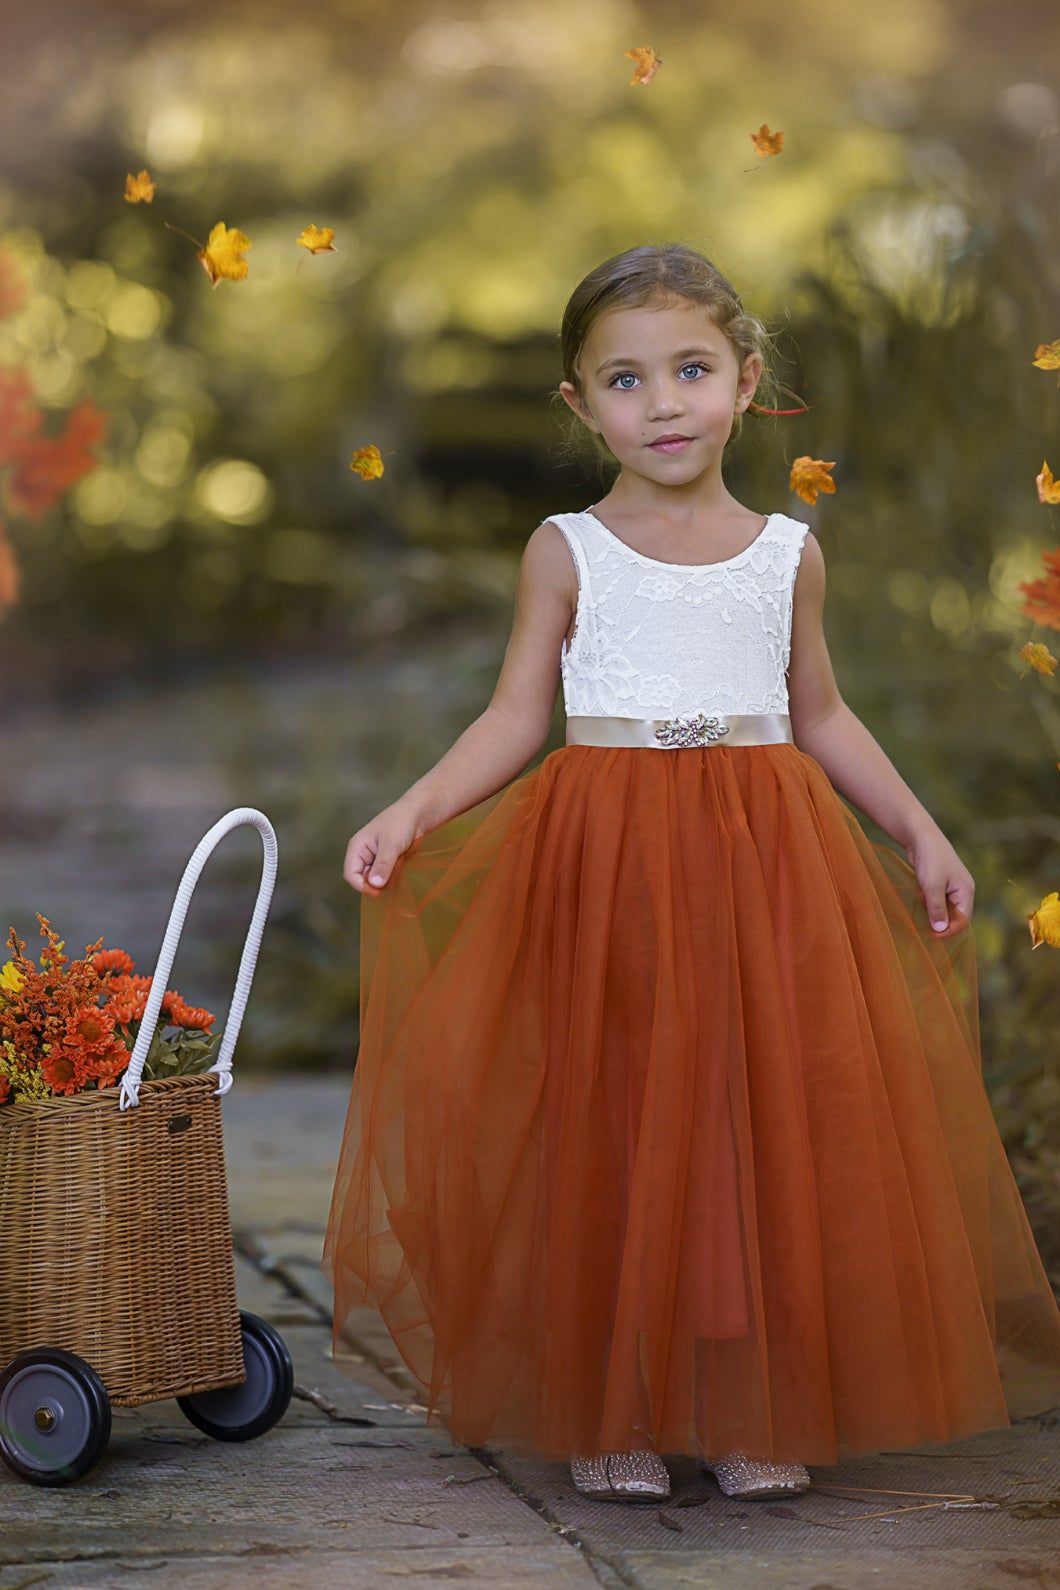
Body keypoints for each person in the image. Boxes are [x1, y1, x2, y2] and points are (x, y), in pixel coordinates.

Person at [321, 242, 1060, 1504]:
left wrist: (918, 830)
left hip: (765, 862)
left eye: (690, 370)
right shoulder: (568, 550)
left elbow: (820, 716)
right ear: (577, 404)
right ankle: (618, 1401)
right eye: (622, 379)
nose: (660, 403)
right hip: (606, 859)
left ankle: (745, 1399)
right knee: (614, 1117)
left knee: (747, 1123)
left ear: (745, 378)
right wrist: (414, 806)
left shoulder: (785, 553)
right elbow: (516, 717)